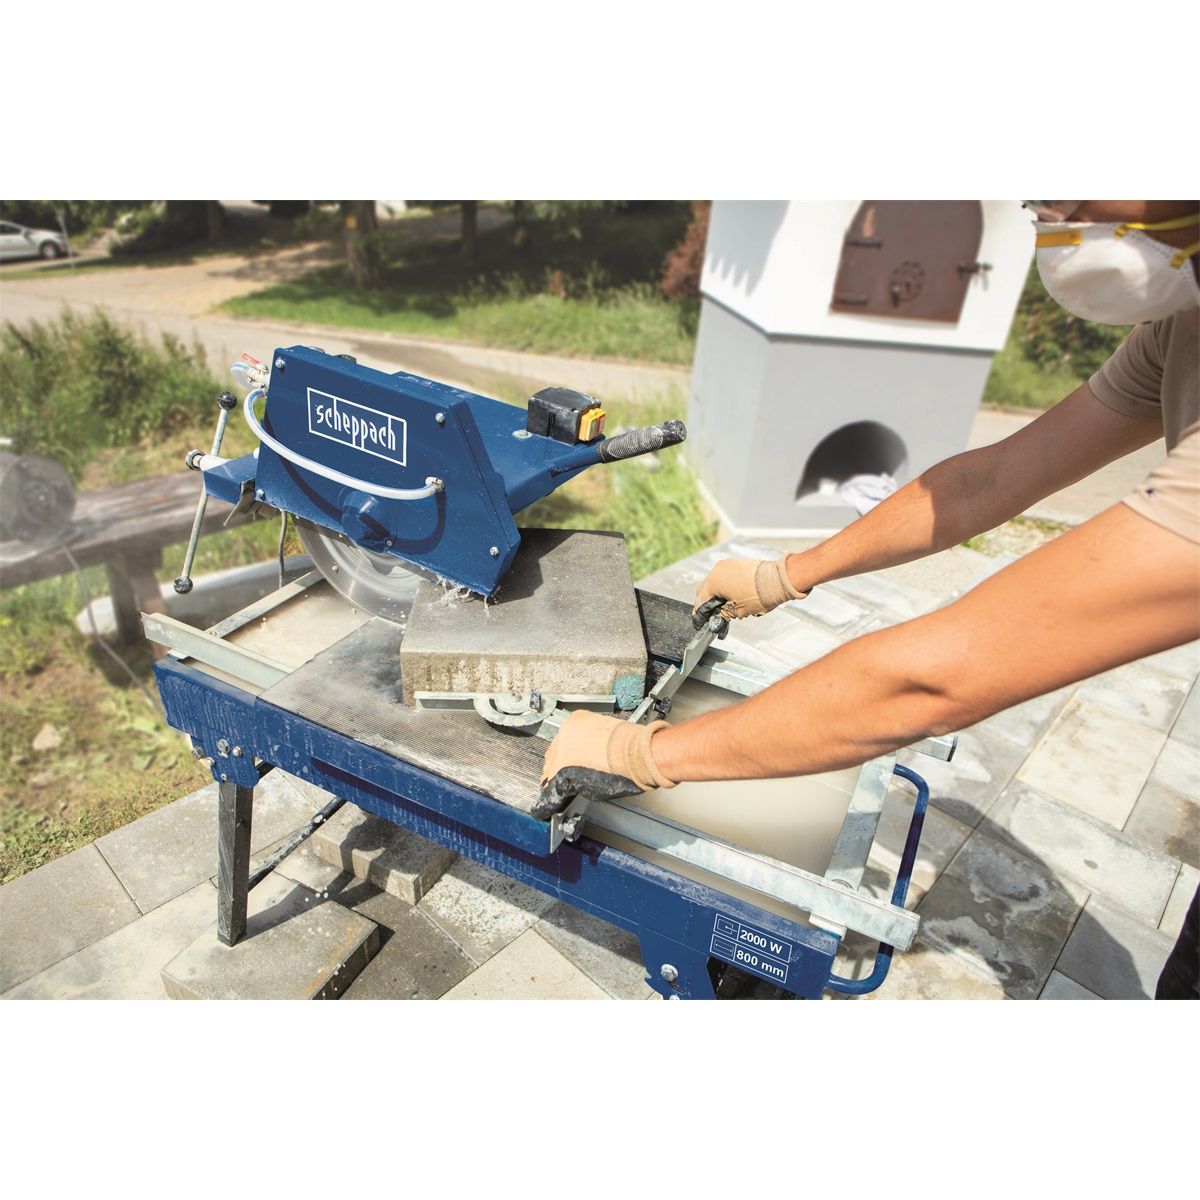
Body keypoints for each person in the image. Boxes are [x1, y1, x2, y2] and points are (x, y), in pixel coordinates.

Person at [542, 199, 1200, 1000]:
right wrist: (789, 573)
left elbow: (935, 679)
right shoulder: (1181, 318)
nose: (1051, 208)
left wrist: (643, 756)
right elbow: (986, 482)